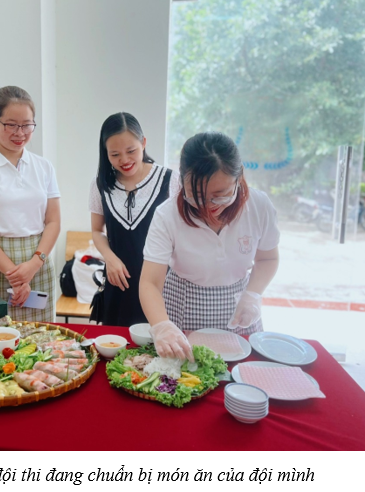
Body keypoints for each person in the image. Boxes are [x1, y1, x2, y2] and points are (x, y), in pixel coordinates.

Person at [139, 132, 280, 361]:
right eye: (196, 195)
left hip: (237, 305)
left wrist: (253, 295)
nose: (208, 207)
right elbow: (150, 283)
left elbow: (268, 259)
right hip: (184, 304)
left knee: (241, 373)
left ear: (239, 176)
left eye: (220, 195)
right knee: (188, 379)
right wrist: (162, 326)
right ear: (182, 179)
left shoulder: (258, 206)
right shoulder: (167, 215)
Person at [0, 86, 60, 321]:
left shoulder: (44, 167)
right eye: (11, 124)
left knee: (43, 345)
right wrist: (15, 275)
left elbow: (53, 221)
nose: (20, 132)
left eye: (27, 125)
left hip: (38, 262)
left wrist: (35, 263)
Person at [89, 112, 180, 326]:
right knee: (117, 352)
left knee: (161, 348)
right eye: (115, 154)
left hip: (161, 286)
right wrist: (110, 258)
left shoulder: (170, 180)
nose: (125, 160)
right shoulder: (100, 185)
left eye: (131, 151)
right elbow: (97, 231)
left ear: (144, 143)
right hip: (118, 284)